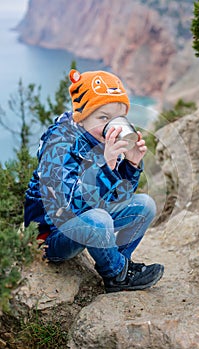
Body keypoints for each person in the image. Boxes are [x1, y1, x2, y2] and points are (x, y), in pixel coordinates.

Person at [24, 68, 164, 293]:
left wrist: (131, 166)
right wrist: (105, 167)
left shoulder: (101, 139)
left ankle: (120, 264)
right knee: (99, 220)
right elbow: (69, 207)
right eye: (103, 117)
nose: (112, 125)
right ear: (81, 116)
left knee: (145, 205)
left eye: (117, 117)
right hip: (51, 234)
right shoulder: (58, 145)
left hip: (87, 220)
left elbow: (118, 197)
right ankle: (117, 275)